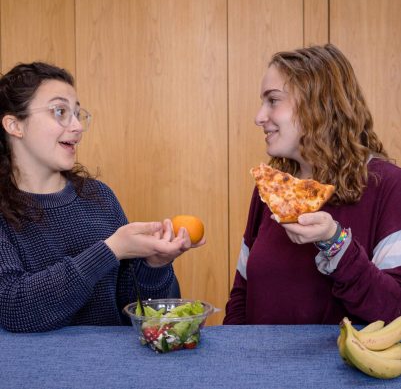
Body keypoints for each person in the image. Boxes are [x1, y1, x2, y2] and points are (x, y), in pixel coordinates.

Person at [0, 62, 204, 333]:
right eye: (60, 112)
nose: (77, 127)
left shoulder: (100, 198)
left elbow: (139, 310)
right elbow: (15, 309)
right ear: (15, 125)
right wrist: (111, 250)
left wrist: (155, 265)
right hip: (36, 373)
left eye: (77, 113)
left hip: (110, 371)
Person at [224, 44, 401, 325]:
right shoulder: (270, 190)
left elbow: (395, 310)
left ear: (318, 105)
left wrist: (335, 242)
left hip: (341, 369)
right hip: (259, 368)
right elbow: (240, 297)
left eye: (273, 100)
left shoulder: (389, 186)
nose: (259, 117)